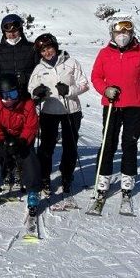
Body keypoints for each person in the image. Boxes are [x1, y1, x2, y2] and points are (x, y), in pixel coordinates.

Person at [90, 19, 140, 198]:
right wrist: (105, 90)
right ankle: (103, 178)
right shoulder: (104, 53)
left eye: (126, 32)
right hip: (112, 104)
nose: (122, 35)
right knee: (108, 142)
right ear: (112, 34)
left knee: (130, 143)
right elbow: (96, 77)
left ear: (132, 33)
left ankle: (128, 177)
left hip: (135, 104)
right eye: (118, 32)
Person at [28, 33, 89, 198]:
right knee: (46, 147)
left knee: (70, 146)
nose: (47, 52)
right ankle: (44, 177)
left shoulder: (71, 63)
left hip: (71, 110)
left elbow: (84, 84)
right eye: (43, 50)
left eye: (48, 48)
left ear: (55, 46)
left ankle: (67, 176)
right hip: (49, 111)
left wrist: (69, 90)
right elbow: (31, 88)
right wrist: (37, 93)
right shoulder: (39, 68)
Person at [0, 74, 41, 216]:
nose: (10, 99)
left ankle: (33, 191)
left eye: (13, 94)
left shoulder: (27, 104)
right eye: (6, 95)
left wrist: (22, 141)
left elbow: (31, 127)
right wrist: (0, 142)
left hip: (21, 137)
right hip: (3, 136)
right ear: (0, 95)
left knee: (29, 156)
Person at [0, 14, 39, 188]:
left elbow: (39, 70)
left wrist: (25, 80)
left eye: (15, 30)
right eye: (8, 31)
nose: (12, 34)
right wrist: (5, 82)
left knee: (23, 135)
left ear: (20, 30)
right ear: (3, 32)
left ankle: (21, 168)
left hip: (25, 99)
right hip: (6, 99)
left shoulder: (31, 49)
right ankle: (6, 168)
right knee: (4, 134)